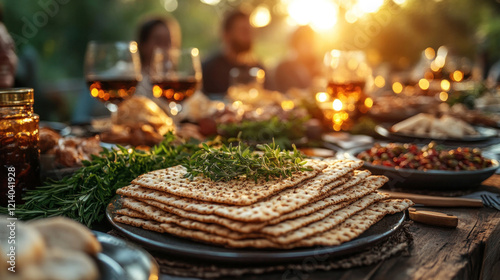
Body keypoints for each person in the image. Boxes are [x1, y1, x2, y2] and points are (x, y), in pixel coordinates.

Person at [202, 9, 266, 97]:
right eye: (243, 31)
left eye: (250, 30)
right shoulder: (208, 69)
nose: (249, 36)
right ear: (226, 34)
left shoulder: (258, 68)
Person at [274, 25, 322, 93]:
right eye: (306, 42)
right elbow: (289, 92)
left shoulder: (316, 64)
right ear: (296, 44)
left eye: (312, 42)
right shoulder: (285, 67)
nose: (310, 46)